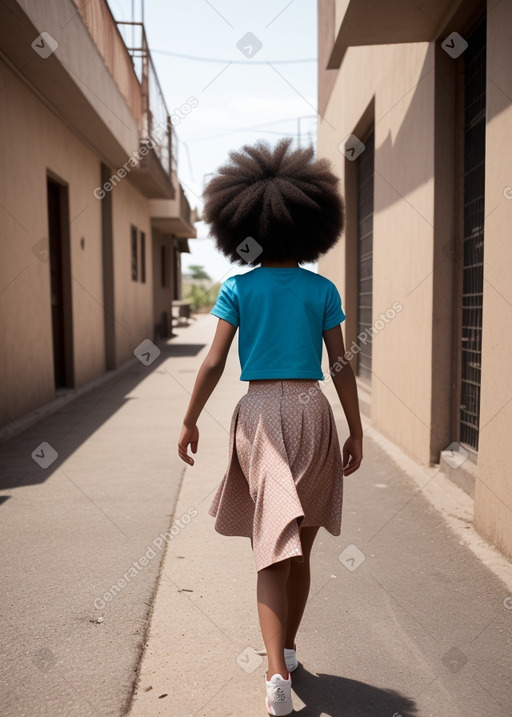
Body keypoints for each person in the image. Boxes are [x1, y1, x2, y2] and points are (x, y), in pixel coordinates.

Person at [178, 138, 363, 716]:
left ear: (244, 223)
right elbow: (340, 365)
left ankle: (276, 673)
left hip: (258, 415)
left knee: (270, 549)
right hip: (312, 411)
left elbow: (212, 362)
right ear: (312, 223)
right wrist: (355, 427)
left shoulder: (238, 289)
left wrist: (189, 421)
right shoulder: (322, 290)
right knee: (300, 548)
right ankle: (284, 653)